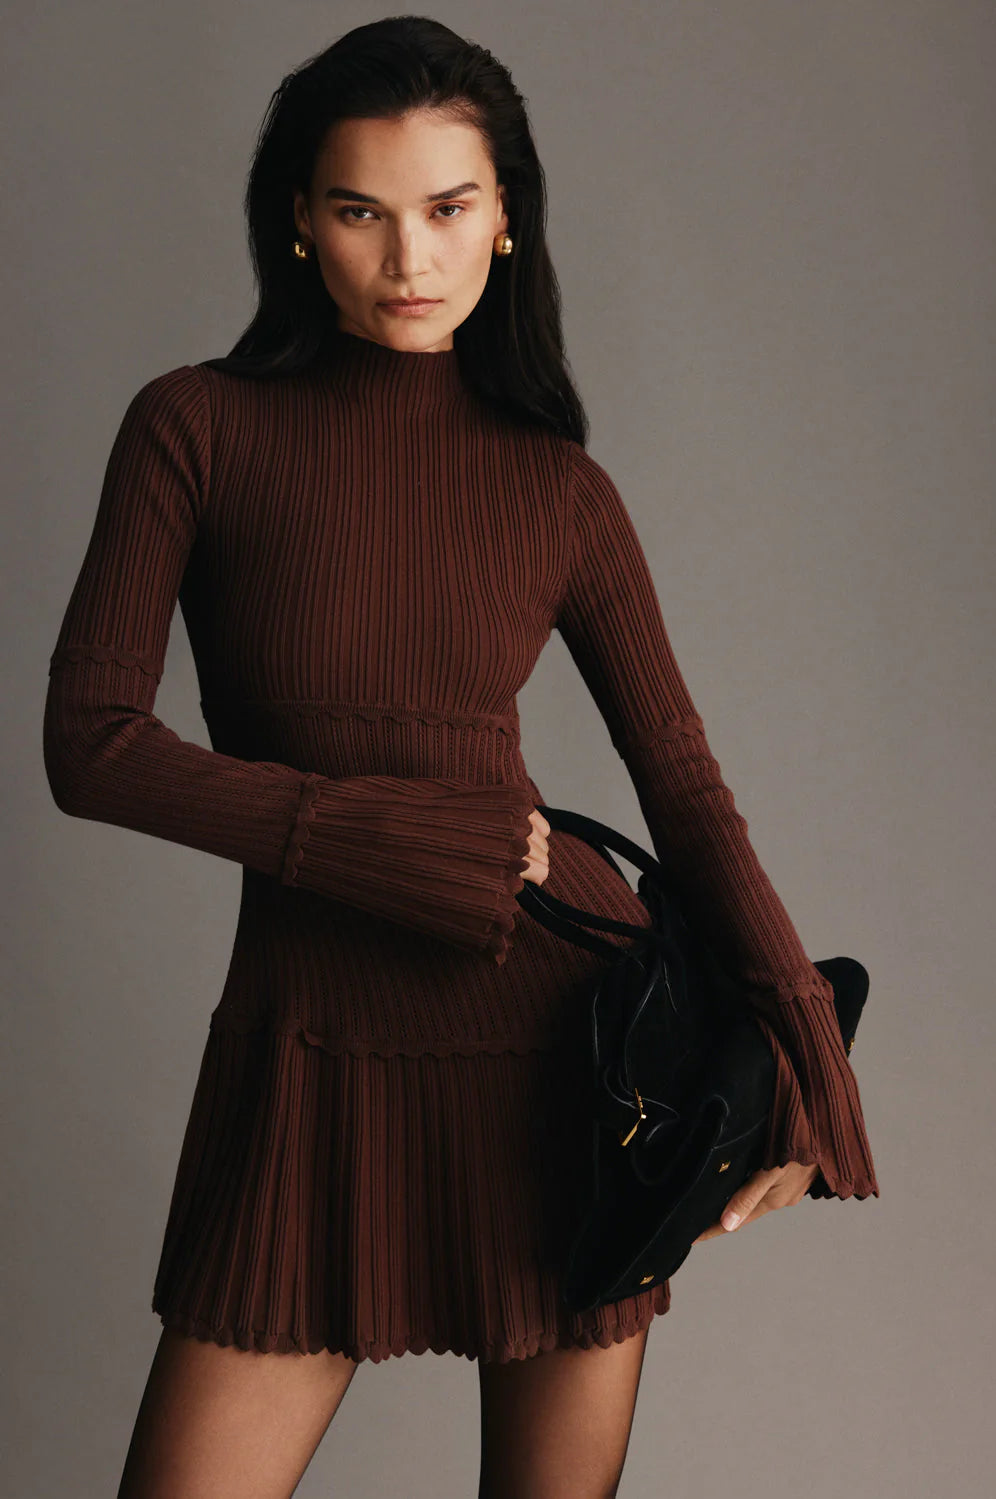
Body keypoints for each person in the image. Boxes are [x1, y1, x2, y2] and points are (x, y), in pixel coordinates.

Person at [42, 16, 879, 1499]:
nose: (409, 258)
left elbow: (685, 791)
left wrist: (806, 1038)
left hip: (561, 1063)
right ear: (298, 224)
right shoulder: (196, 428)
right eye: (360, 210)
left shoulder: (557, 487)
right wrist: (379, 837)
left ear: (506, 220)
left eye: (447, 208)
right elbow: (92, 747)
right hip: (312, 1051)